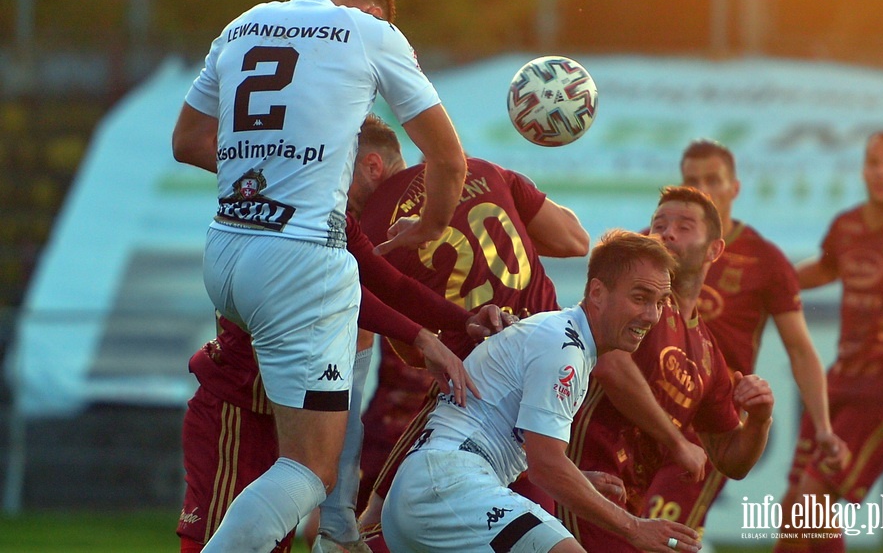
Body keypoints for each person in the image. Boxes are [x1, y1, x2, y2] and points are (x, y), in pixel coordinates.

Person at [171, 0, 469, 551]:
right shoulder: (368, 33)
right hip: (300, 256)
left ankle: (335, 530)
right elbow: (448, 159)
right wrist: (429, 227)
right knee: (310, 470)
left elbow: (186, 140)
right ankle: (332, 527)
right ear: (374, 14)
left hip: (227, 248)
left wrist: (263, 184)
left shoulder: (243, 22)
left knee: (303, 429)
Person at [178, 209, 508, 553]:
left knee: (299, 498)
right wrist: (422, 338)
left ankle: (338, 525)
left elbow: (392, 287)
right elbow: (328, 290)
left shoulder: (336, 217)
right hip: (241, 409)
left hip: (293, 420)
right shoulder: (287, 213)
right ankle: (337, 526)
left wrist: (466, 320)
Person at [347, 115, 592, 548]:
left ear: (371, 166)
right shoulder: (483, 171)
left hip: (475, 398)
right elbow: (575, 240)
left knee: (384, 525)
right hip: (553, 369)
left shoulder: (368, 235)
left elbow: (412, 353)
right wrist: (514, 198)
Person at [381, 229, 706, 553]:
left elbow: (511, 446)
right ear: (597, 292)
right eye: (639, 298)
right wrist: (634, 528)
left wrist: (577, 480)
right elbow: (546, 466)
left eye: (660, 302)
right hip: (446, 490)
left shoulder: (563, 337)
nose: (651, 316)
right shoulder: (565, 350)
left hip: (426, 494)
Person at [629, 139, 847, 538]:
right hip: (642, 403)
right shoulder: (651, 244)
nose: (703, 188)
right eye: (693, 179)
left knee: (660, 530)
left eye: (713, 179)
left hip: (711, 416)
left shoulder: (765, 259)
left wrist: (823, 426)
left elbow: (799, 349)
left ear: (735, 188)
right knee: (615, 526)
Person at [559, 186, 776, 551]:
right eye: (659, 223)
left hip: (627, 512)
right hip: (579, 489)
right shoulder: (634, 302)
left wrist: (760, 419)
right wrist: (676, 442)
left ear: (714, 250)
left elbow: (731, 459)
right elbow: (611, 366)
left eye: (684, 225)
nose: (667, 231)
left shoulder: (707, 351)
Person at [774, 129, 883, 552]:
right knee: (794, 509)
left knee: (813, 499)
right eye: (874, 162)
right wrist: (770, 283)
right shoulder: (848, 225)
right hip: (839, 381)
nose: (880, 173)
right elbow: (827, 268)